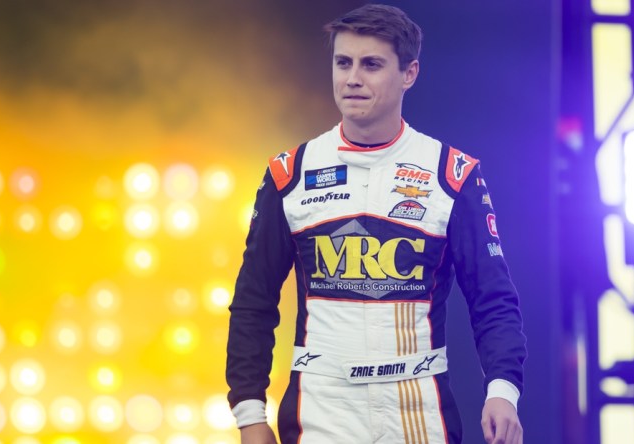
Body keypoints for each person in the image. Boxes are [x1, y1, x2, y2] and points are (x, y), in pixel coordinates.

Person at [225, 4, 527, 444]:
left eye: (371, 65)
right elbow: (253, 301)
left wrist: (503, 391)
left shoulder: (452, 173)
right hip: (321, 413)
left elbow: (493, 299)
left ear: (409, 73)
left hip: (418, 414)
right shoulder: (289, 174)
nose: (352, 78)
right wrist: (250, 414)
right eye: (342, 62)